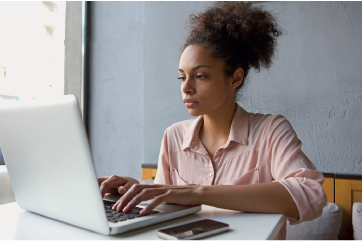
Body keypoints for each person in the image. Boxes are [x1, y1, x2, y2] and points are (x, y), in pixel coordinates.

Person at [98, 2, 327, 240]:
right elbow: (163, 208)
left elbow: (310, 195)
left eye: (200, 76)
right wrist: (134, 190)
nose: (186, 88)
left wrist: (198, 192)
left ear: (235, 78)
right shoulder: (173, 136)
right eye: (181, 76)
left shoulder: (270, 130)